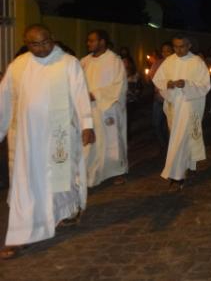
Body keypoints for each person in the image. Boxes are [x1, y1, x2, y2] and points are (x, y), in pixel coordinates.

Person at [0, 24, 95, 259]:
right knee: (27, 185)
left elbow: (80, 94)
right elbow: (4, 99)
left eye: (45, 42)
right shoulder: (18, 65)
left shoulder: (68, 63)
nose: (41, 48)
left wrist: (87, 124)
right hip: (26, 140)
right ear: (26, 42)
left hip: (59, 136)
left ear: (52, 39)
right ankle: (21, 235)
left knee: (59, 178)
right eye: (35, 44)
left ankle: (66, 210)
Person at [152, 35, 211, 189]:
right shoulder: (169, 61)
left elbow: (205, 85)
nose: (178, 50)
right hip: (174, 106)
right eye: (176, 46)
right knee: (180, 139)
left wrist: (186, 84)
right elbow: (158, 79)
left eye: (182, 46)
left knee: (180, 139)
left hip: (190, 106)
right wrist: (168, 83)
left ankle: (176, 175)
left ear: (189, 45)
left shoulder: (197, 62)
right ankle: (184, 166)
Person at [81, 30, 128, 187]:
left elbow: (119, 85)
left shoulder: (114, 61)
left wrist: (95, 95)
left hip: (109, 108)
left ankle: (116, 171)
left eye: (92, 40)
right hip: (88, 110)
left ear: (102, 42)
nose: (88, 44)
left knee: (112, 140)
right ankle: (91, 172)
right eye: (88, 41)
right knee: (91, 143)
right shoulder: (84, 61)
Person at [148, 42, 174, 153]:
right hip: (159, 99)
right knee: (156, 123)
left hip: (171, 100)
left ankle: (171, 147)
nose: (166, 53)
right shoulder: (157, 63)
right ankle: (163, 145)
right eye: (164, 51)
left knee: (170, 125)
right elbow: (152, 78)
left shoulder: (176, 64)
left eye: (168, 50)